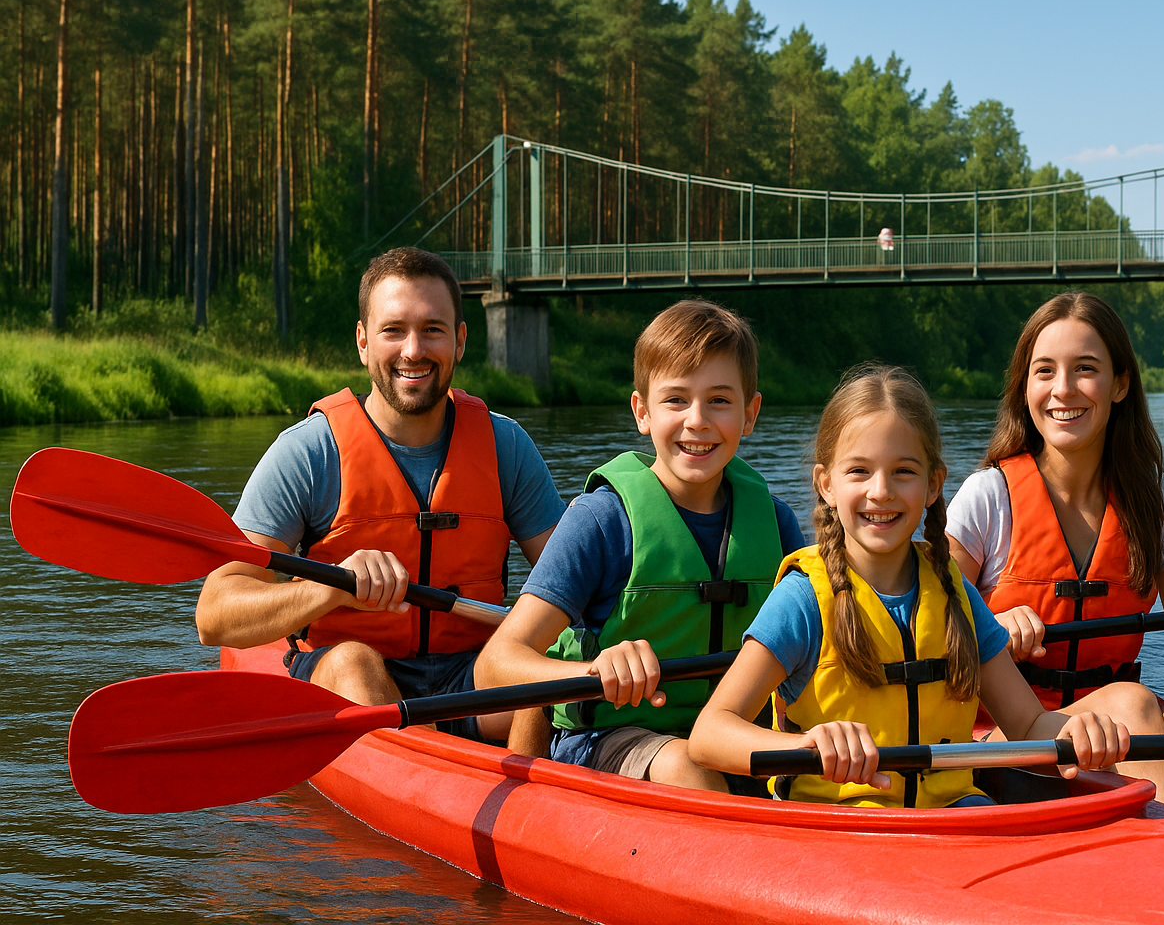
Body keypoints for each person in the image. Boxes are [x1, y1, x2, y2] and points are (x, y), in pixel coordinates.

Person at [688, 365, 1131, 808]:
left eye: (903, 471)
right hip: (840, 830)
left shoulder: (954, 593)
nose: (881, 491)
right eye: (859, 471)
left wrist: (1076, 731)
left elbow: (1028, 724)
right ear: (827, 485)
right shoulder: (802, 599)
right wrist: (807, 749)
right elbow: (709, 734)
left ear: (933, 484)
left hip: (953, 815)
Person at [945, 291, 1164, 848]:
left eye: (1086, 369)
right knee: (1134, 702)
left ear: (1121, 385)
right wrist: (991, 631)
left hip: (1107, 737)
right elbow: (923, 634)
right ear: (1024, 387)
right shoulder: (988, 498)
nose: (1063, 389)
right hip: (1003, 739)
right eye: (1045, 371)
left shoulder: (1154, 504)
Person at [196, 247, 565, 744]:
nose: (413, 350)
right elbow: (214, 615)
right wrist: (329, 588)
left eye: (432, 329)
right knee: (355, 662)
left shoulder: (506, 447)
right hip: (350, 675)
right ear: (364, 342)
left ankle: (529, 795)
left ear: (459, 342)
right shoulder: (308, 452)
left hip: (473, 678)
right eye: (394, 330)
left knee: (549, 672)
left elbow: (574, 587)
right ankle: (428, 776)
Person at [476, 299, 805, 792]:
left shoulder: (776, 523)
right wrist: (594, 667)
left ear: (750, 413)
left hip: (735, 739)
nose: (697, 420)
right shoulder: (601, 521)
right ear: (642, 412)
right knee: (686, 767)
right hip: (612, 738)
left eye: (719, 400)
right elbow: (494, 666)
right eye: (676, 400)